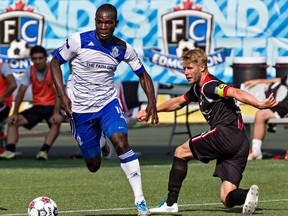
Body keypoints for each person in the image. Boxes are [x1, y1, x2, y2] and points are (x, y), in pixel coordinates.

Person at [137, 48, 278, 214]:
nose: (186, 72)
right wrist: (152, 109)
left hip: (225, 135)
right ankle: (247, 195)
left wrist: (258, 105)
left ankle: (170, 204)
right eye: (184, 68)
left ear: (202, 67)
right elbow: (177, 103)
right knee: (226, 197)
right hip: (240, 143)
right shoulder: (198, 89)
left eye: (190, 68)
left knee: (180, 152)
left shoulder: (211, 86)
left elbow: (234, 92)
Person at [49, 3, 158, 216]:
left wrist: (151, 101)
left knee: (121, 140)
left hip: (107, 103)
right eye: (99, 21)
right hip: (79, 108)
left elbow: (143, 74)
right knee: (93, 165)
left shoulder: (123, 48)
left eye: (108, 22)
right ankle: (100, 143)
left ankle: (140, 201)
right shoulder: (78, 41)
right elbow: (55, 62)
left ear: (115, 24)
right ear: (95, 21)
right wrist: (63, 96)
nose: (103, 26)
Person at [0, 45, 63, 160]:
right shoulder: (30, 70)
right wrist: (14, 113)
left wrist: (56, 112)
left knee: (56, 121)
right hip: (37, 107)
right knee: (13, 121)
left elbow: (59, 92)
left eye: (40, 58)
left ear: (45, 58)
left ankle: (43, 151)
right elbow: (21, 92)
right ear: (31, 60)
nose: (38, 61)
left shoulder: (53, 69)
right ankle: (9, 151)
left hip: (51, 107)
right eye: (35, 59)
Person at [243, 75, 288, 160]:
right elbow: (281, 80)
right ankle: (256, 151)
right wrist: (258, 81)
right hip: (284, 106)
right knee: (260, 114)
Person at [0, 62, 17, 152]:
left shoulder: (3, 66)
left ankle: (2, 146)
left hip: (3, 104)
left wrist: (1, 99)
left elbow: (13, 84)